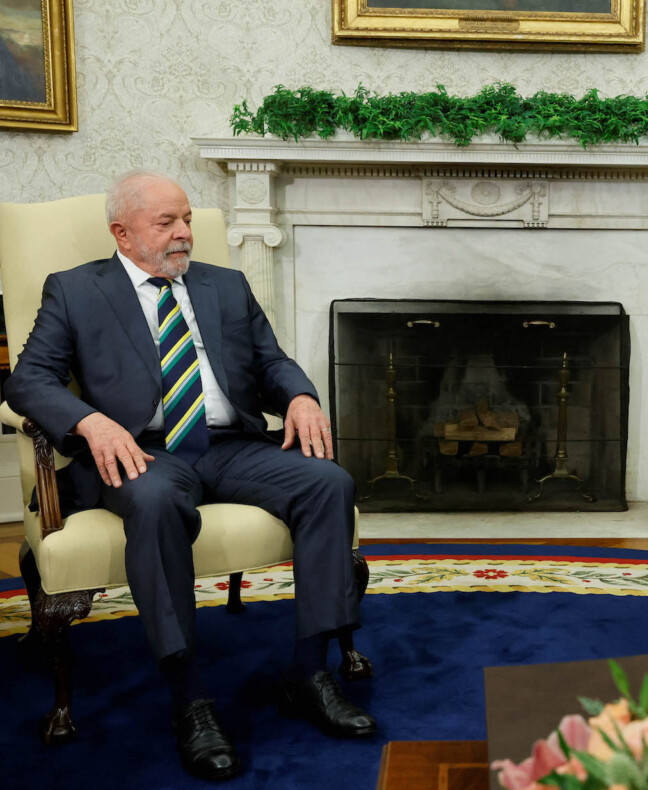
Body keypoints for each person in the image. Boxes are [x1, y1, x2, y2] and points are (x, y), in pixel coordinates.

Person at [6, 172, 375, 781]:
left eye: (186, 221)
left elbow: (271, 361)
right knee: (154, 504)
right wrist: (90, 422)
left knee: (328, 482)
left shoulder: (225, 284)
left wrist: (302, 396)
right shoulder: (75, 290)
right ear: (122, 234)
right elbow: (29, 380)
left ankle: (308, 672)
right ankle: (191, 697)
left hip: (231, 444)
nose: (184, 234)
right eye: (166, 224)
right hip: (140, 452)